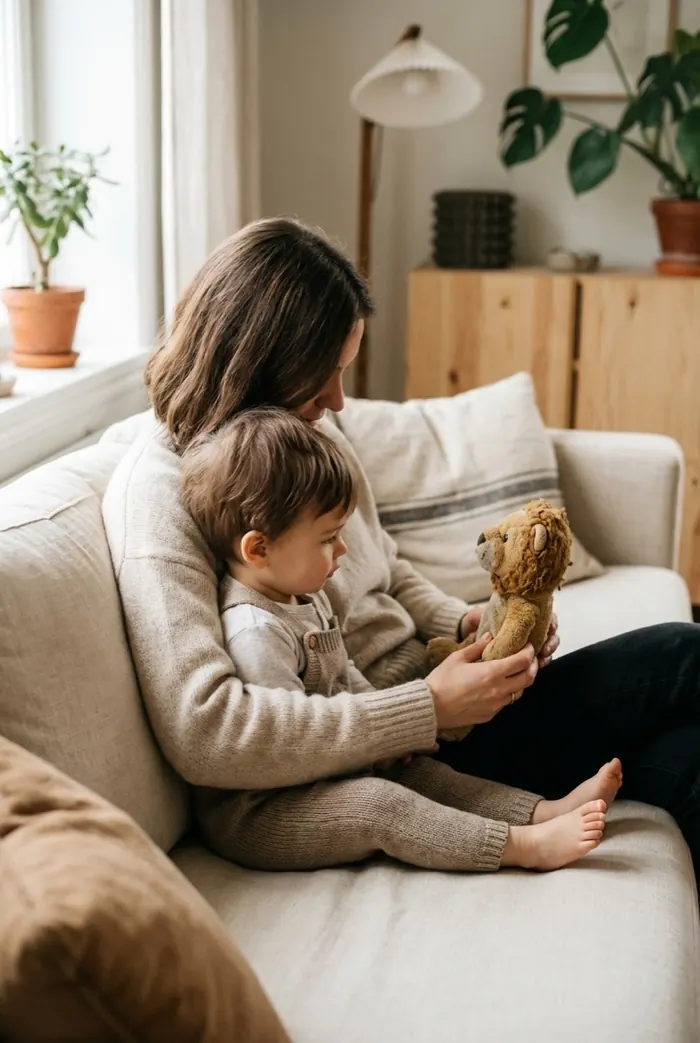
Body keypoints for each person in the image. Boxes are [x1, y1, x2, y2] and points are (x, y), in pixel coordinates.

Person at [102, 217, 700, 884]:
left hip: (439, 704)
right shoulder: (163, 491)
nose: (336, 399)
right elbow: (208, 731)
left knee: (684, 755)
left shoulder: (304, 435)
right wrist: (427, 711)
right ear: (256, 361)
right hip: (394, 745)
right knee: (681, 654)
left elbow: (387, 566)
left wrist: (464, 623)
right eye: (322, 372)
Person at [178, 405, 621, 871]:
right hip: (267, 809)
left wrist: (393, 737)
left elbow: (342, 672)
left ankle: (541, 813)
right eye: (328, 538)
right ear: (258, 549)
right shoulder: (256, 631)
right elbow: (289, 739)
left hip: (327, 769)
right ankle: (520, 847)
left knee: (423, 773)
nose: (343, 550)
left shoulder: (303, 595)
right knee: (380, 804)